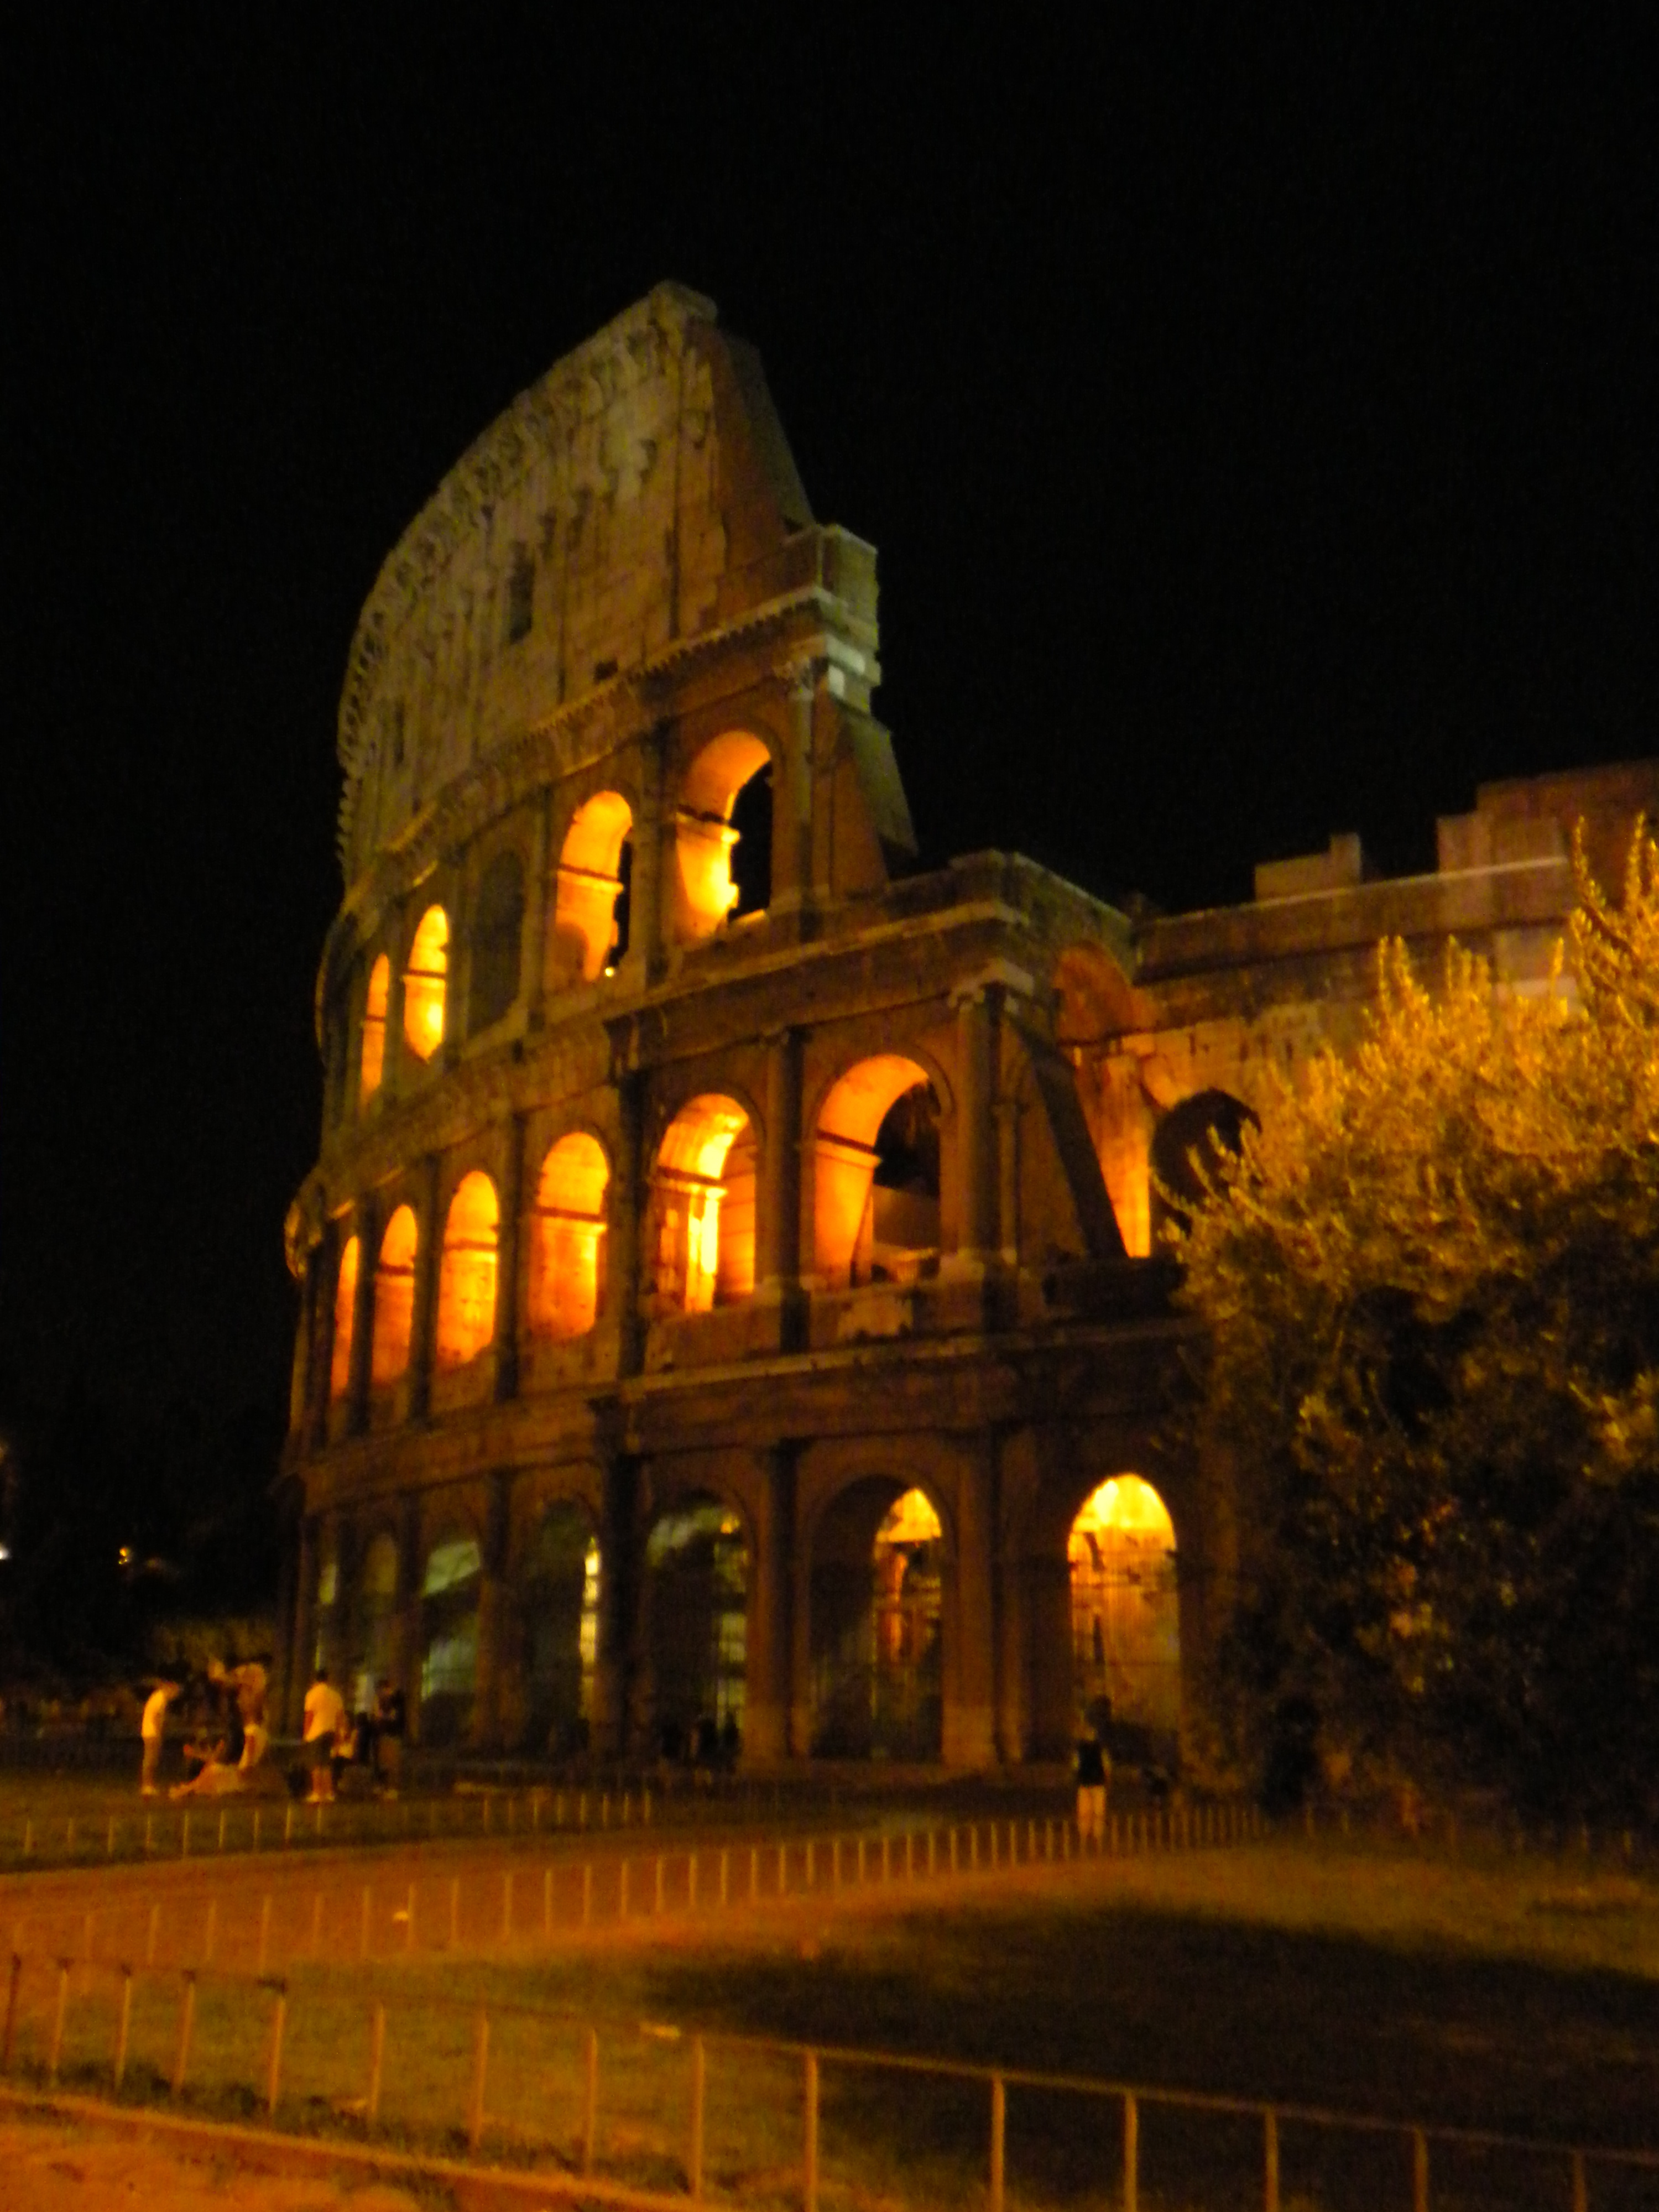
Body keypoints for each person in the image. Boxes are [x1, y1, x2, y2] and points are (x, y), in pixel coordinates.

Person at [302, 1667, 345, 1803]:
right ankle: (329, 1793)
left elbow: (309, 1716)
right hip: (331, 1731)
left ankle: (317, 1792)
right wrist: (339, 1734)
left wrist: (306, 1734)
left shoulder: (312, 1694)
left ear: (316, 1679)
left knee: (316, 1763)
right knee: (327, 1764)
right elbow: (340, 1717)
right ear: (328, 1679)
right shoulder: (335, 1695)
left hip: (317, 1731)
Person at [140, 1679, 181, 1796]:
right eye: (175, 1693)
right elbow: (158, 1718)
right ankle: (147, 1786)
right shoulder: (161, 1699)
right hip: (152, 1732)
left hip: (149, 1731)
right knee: (150, 1759)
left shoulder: (157, 1697)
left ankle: (149, 1785)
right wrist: (159, 1734)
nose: (174, 1697)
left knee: (151, 1759)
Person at [1074, 1722, 1110, 1847]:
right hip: (1098, 1783)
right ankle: (1097, 1837)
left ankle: (1084, 1837)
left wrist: (1076, 1776)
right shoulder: (1100, 1749)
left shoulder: (1080, 1749)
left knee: (1084, 1812)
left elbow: (1075, 1765)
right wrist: (1107, 1778)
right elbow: (1106, 1765)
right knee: (1098, 1812)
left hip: (1085, 1783)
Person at [374, 1678, 405, 1796]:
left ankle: (392, 1788)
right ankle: (386, 1787)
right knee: (385, 1762)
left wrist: (382, 1716)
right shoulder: (385, 1701)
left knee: (391, 1762)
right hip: (386, 1734)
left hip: (392, 1735)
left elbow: (393, 1717)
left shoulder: (395, 1700)